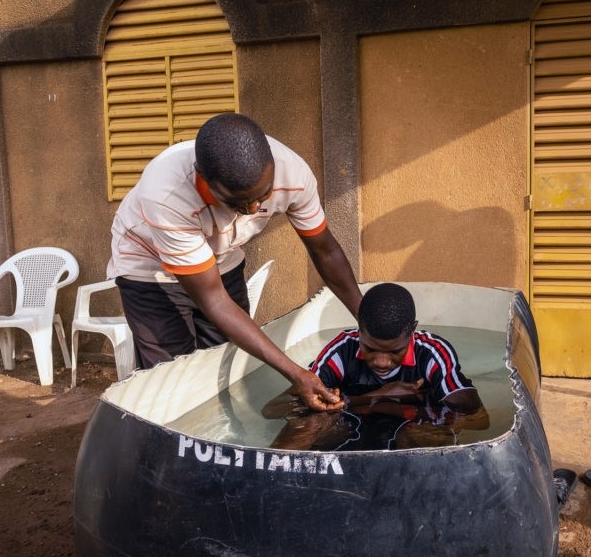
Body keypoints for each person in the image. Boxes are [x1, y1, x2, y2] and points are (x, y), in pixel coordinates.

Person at [107, 113, 362, 412]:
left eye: (263, 196)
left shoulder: (293, 174)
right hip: (150, 272)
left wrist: (366, 319)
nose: (254, 208)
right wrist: (295, 373)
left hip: (221, 258)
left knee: (225, 361)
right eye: (239, 203)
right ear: (202, 178)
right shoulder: (166, 194)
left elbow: (325, 251)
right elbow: (213, 299)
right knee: (170, 376)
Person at [264, 282, 488, 450]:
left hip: (406, 429)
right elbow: (273, 409)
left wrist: (406, 411)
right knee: (306, 426)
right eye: (370, 349)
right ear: (359, 328)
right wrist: (376, 397)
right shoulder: (342, 350)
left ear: (412, 331)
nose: (381, 362)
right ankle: (269, 487)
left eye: (394, 351)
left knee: (429, 435)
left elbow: (478, 419)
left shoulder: (431, 353)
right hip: (350, 430)